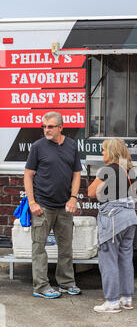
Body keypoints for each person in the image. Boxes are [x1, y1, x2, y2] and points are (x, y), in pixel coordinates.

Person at [24, 111, 82, 299]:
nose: (46, 130)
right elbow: (28, 175)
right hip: (42, 205)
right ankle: (40, 287)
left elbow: (76, 174)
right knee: (39, 247)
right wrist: (32, 202)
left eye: (50, 126)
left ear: (60, 127)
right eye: (44, 126)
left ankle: (66, 283)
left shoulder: (71, 145)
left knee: (66, 247)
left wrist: (73, 198)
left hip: (64, 205)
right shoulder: (38, 147)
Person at [88, 138, 137, 314]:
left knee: (108, 260)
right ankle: (126, 298)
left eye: (104, 150)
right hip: (130, 217)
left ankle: (112, 301)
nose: (102, 153)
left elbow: (91, 192)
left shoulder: (108, 169)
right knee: (125, 258)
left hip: (113, 218)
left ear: (112, 152)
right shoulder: (127, 170)